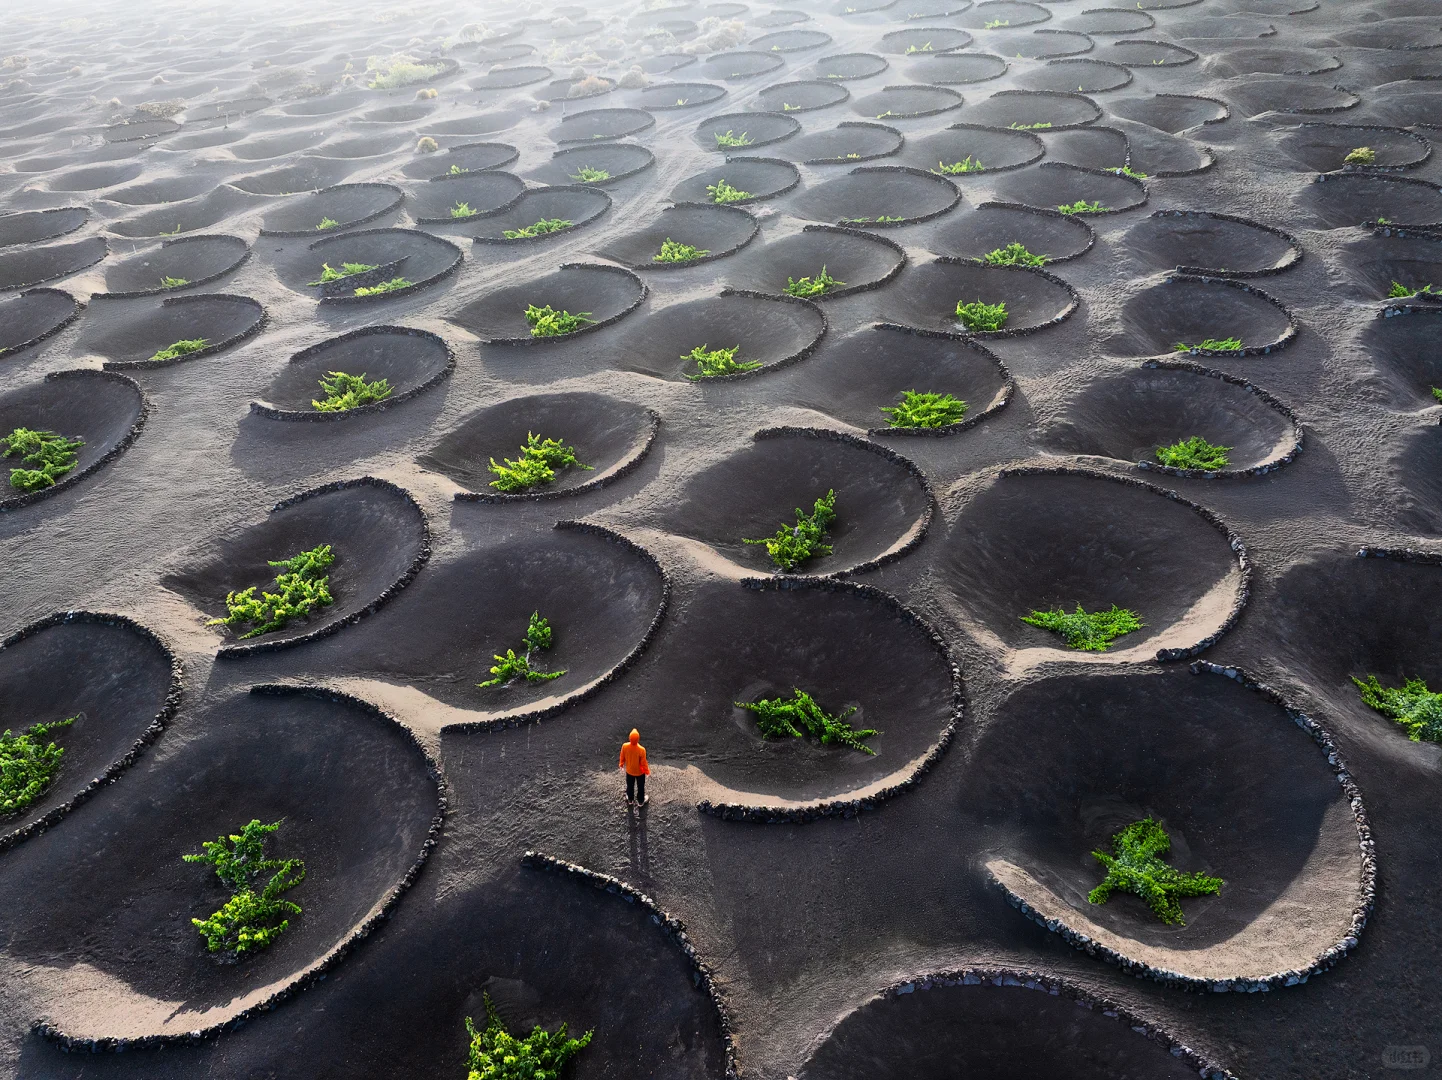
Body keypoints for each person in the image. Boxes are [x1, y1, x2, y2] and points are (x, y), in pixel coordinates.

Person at [619, 728, 650, 805]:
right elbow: (643, 763)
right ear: (638, 739)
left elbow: (622, 756)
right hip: (640, 773)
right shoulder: (641, 749)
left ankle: (630, 800)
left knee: (630, 786)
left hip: (629, 771)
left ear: (629, 738)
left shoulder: (625, 746)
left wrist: (621, 764)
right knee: (640, 786)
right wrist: (647, 771)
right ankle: (641, 801)